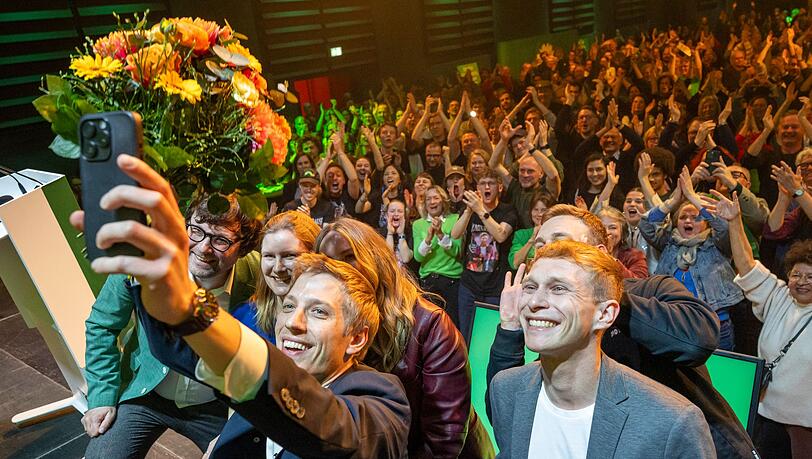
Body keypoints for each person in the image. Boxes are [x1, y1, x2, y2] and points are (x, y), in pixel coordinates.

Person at [72, 155, 410, 458]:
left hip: (210, 406)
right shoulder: (163, 269)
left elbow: (330, 425)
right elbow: (185, 352)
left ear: (357, 337)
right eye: (288, 306)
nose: (292, 324)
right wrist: (177, 301)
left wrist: (193, 308)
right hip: (147, 393)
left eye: (319, 311)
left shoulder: (379, 399)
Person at [486, 204, 758, 458]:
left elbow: (697, 341)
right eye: (540, 246)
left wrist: (606, 294)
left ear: (601, 253)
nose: (548, 253)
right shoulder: (556, 326)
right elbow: (508, 412)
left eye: (561, 243)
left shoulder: (651, 290)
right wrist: (510, 328)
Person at [81, 194, 262, 458]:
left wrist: (236, 425)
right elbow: (102, 325)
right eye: (196, 231)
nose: (203, 248)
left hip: (216, 403)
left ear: (243, 247)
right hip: (147, 391)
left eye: (220, 240)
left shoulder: (259, 276)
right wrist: (101, 397)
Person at [316, 218, 495, 458]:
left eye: (349, 257)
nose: (339, 269)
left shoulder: (430, 325)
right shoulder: (330, 324)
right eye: (327, 261)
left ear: (375, 258)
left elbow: (444, 439)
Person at [711, 189, 812, 458]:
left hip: (806, 426)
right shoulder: (779, 296)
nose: (802, 281)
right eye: (796, 275)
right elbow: (747, 264)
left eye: (810, 276)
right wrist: (735, 222)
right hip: (767, 417)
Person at [638, 166, 745, 350]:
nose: (688, 221)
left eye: (695, 218)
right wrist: (673, 201)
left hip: (715, 325)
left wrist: (692, 197)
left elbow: (725, 225)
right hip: (673, 324)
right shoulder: (668, 242)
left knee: (717, 369)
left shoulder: (717, 243)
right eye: (683, 217)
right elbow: (646, 224)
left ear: (706, 224)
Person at [452, 169, 518, 342]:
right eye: (482, 183)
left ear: (500, 187)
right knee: (465, 335)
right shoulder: (471, 210)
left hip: (494, 287)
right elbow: (455, 234)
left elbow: (501, 235)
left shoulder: (508, 211)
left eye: (491, 183)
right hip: (469, 285)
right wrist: (468, 211)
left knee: (488, 337)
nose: (487, 187)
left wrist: (480, 210)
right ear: (477, 188)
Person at [234, 211, 320, 337]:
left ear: (316, 256)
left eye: (289, 256)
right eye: (269, 256)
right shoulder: (244, 318)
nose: (278, 268)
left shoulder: (333, 322)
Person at [412, 185, 464, 327]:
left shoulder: (455, 219)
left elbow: (456, 252)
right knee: (429, 326)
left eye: (436, 197)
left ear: (443, 200)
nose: (432, 202)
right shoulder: (418, 224)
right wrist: (429, 237)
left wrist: (440, 234)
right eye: (428, 199)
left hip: (451, 281)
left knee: (452, 326)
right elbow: (418, 257)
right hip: (428, 282)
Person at [596, 206, 649, 278]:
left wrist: (610, 259)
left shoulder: (635, 256)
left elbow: (639, 282)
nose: (607, 232)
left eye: (613, 227)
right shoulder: (587, 254)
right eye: (602, 227)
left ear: (622, 232)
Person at [508, 191, 556, 270]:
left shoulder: (557, 235)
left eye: (544, 210)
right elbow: (515, 263)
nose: (539, 214)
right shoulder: (521, 235)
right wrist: (532, 240)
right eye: (535, 209)